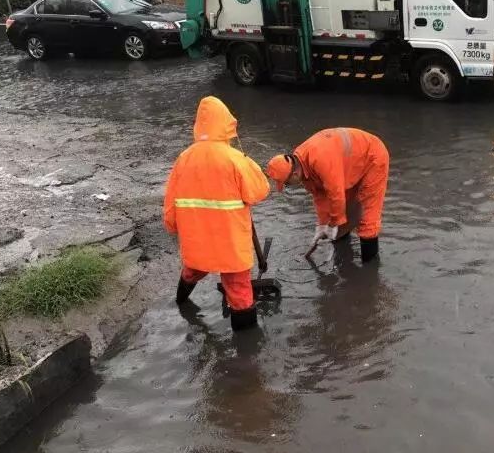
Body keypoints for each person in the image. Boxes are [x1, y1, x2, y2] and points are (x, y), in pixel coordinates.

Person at [164, 96, 270, 331]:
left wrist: (172, 227)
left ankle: (181, 302)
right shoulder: (234, 159)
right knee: (240, 293)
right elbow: (260, 191)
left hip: (197, 240)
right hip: (231, 244)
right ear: (226, 124)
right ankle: (247, 355)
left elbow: (171, 203)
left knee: (192, 270)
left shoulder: (183, 159)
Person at [266, 128, 389, 263]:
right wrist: (323, 225)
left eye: (287, 184)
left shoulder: (320, 159)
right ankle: (344, 261)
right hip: (348, 164)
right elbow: (320, 196)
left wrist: (334, 224)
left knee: (367, 217)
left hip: (372, 157)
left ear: (294, 174)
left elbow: (336, 194)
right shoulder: (301, 163)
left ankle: (369, 270)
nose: (288, 186)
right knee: (343, 214)